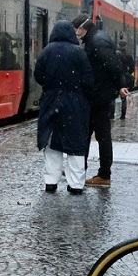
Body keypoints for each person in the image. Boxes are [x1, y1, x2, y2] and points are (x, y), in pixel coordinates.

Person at [34, 20, 94, 194]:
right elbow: (88, 79)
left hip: (51, 101)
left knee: (52, 143)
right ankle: (76, 185)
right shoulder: (79, 53)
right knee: (76, 145)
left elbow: (38, 75)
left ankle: (50, 182)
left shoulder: (47, 51)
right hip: (75, 105)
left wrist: (52, 86)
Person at [72, 15, 128, 188]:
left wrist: (120, 85)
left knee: (99, 136)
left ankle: (103, 174)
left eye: (77, 29)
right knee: (95, 135)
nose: (76, 33)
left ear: (83, 28)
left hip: (98, 97)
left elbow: (113, 66)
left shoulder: (97, 42)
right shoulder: (96, 39)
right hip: (97, 96)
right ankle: (85, 171)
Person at [116, 40, 136, 119]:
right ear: (125, 46)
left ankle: (110, 115)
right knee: (123, 97)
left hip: (115, 76)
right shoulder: (128, 56)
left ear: (118, 45)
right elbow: (132, 68)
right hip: (124, 77)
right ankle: (122, 115)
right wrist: (127, 72)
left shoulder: (114, 54)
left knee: (112, 97)